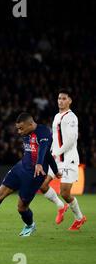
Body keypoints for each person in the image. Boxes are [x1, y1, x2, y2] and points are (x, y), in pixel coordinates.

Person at [39, 89, 86, 230]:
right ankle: (61, 206)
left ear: (70, 101)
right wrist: (50, 152)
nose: (60, 101)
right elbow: (55, 138)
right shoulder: (56, 116)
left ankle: (79, 218)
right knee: (42, 185)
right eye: (59, 98)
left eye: (64, 98)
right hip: (56, 159)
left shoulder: (71, 117)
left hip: (68, 159)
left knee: (65, 192)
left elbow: (72, 139)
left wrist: (57, 152)